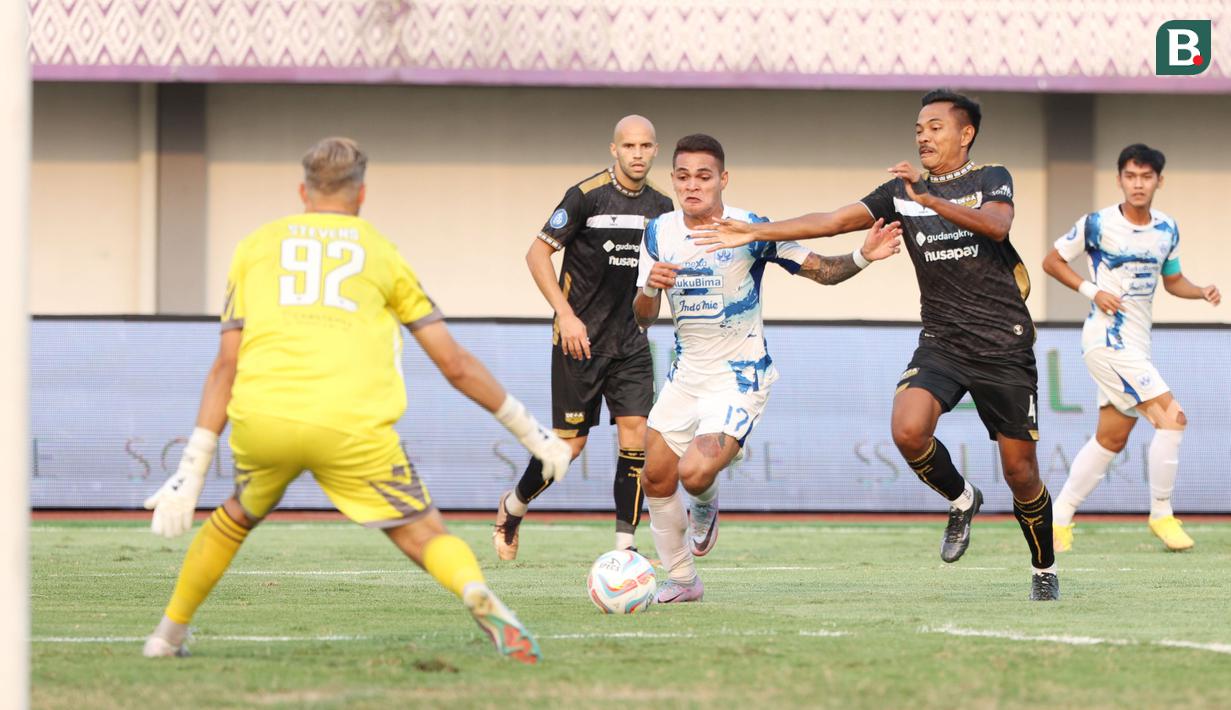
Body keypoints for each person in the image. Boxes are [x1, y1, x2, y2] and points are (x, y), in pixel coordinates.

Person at [141, 137, 571, 664]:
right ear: (361, 194)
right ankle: (473, 591)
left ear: (303, 190)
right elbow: (453, 363)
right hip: (351, 424)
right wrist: (533, 434)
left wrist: (191, 469)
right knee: (423, 533)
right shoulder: (380, 251)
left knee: (235, 516)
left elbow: (225, 365)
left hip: (266, 417)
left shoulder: (254, 246)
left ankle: (166, 637)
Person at [692, 90, 1060, 600]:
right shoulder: (899, 191)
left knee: (1021, 473)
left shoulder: (990, 177)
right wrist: (756, 232)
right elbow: (834, 220)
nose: (924, 136)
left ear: (965, 133)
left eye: (934, 127)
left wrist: (930, 200)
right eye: (919, 128)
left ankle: (1044, 568)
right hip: (943, 342)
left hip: (1003, 345)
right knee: (908, 431)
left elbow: (999, 225)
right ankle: (962, 499)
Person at [633, 133, 901, 603]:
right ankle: (682, 580)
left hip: (739, 374)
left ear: (723, 179)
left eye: (703, 176)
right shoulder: (658, 233)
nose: (692, 186)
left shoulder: (749, 228)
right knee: (654, 476)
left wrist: (863, 255)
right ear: (672, 179)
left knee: (694, 474)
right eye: (682, 176)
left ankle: (706, 501)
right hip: (686, 374)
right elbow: (642, 316)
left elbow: (820, 268)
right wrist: (650, 289)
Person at [493, 115, 674, 560]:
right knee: (568, 448)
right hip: (580, 341)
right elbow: (537, 255)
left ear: (655, 151)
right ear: (614, 150)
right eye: (629, 146)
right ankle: (513, 507)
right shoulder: (585, 197)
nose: (637, 154)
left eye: (646, 146)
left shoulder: (663, 210)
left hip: (631, 342)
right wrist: (566, 315)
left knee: (636, 438)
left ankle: (625, 552)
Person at [1042, 143, 1220, 552]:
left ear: (1159, 181)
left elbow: (1172, 280)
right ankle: (1162, 514)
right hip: (1106, 340)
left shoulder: (1167, 229)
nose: (1138, 184)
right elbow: (1052, 261)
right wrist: (1092, 289)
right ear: (1119, 178)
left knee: (1111, 439)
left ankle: (1058, 519)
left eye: (1146, 177)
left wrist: (1200, 292)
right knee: (1173, 418)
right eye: (1131, 176)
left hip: (1137, 343)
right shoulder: (1096, 224)